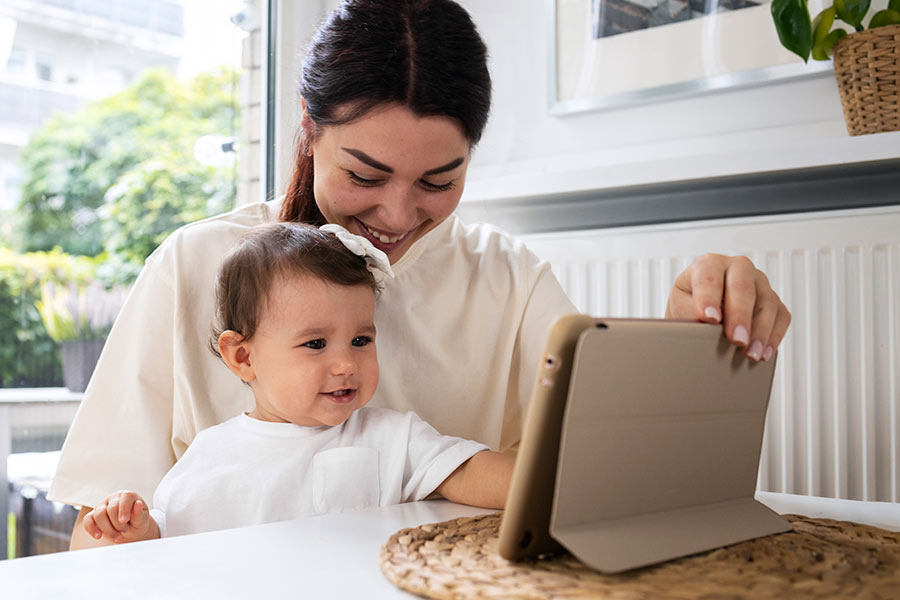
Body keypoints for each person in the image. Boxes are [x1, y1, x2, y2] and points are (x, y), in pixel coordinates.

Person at [53, 0, 791, 549]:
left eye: (439, 181)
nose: (398, 215)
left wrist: (689, 333)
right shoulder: (195, 268)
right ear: (309, 127)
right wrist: (120, 534)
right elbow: (96, 543)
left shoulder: (506, 278)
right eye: (365, 174)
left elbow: (609, 478)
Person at [82, 223, 513, 543]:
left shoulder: (392, 437)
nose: (346, 363)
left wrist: (558, 482)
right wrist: (135, 529)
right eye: (315, 344)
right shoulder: (211, 453)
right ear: (244, 357)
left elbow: (471, 472)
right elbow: (170, 538)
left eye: (361, 340)